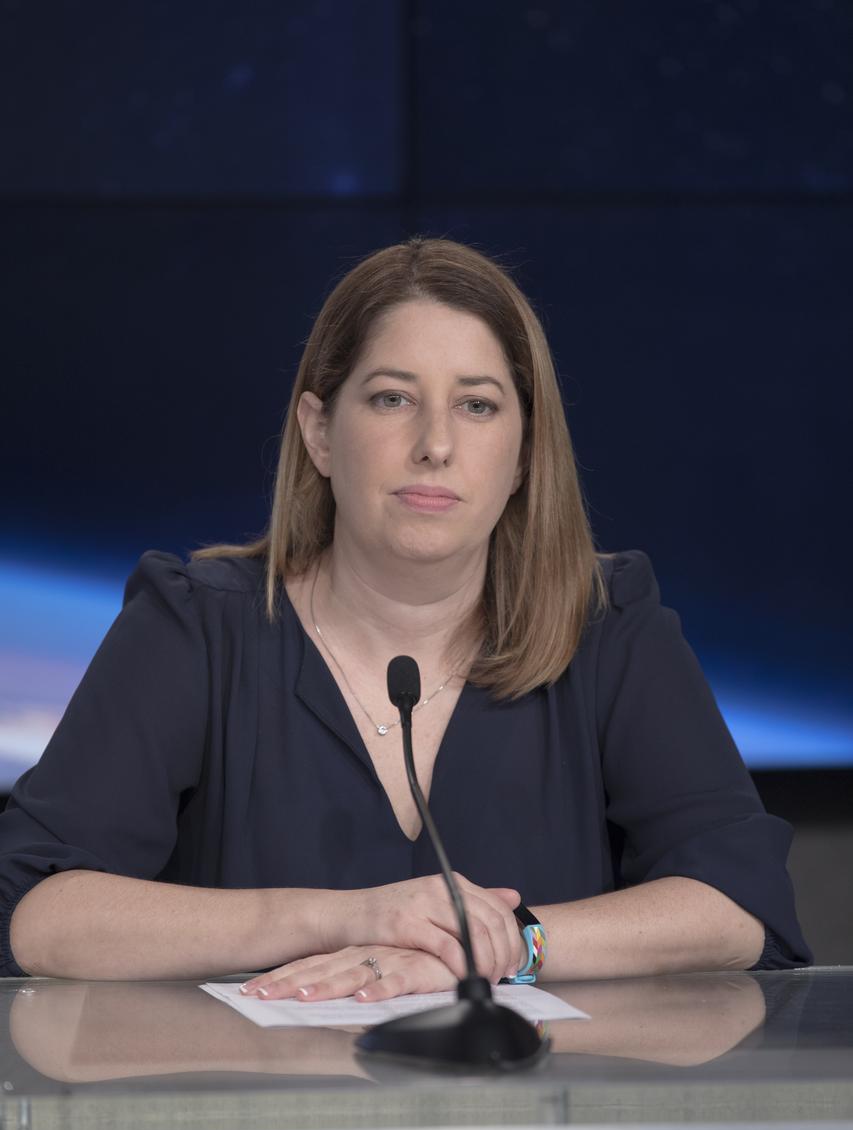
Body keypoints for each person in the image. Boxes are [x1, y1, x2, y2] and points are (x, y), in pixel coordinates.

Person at [0, 236, 811, 995]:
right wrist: (344, 917)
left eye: (478, 406)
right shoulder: (194, 628)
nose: (434, 445)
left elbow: (737, 903)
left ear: (525, 453)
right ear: (320, 433)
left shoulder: (606, 626)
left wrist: (504, 946)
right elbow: (37, 912)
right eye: (392, 398)